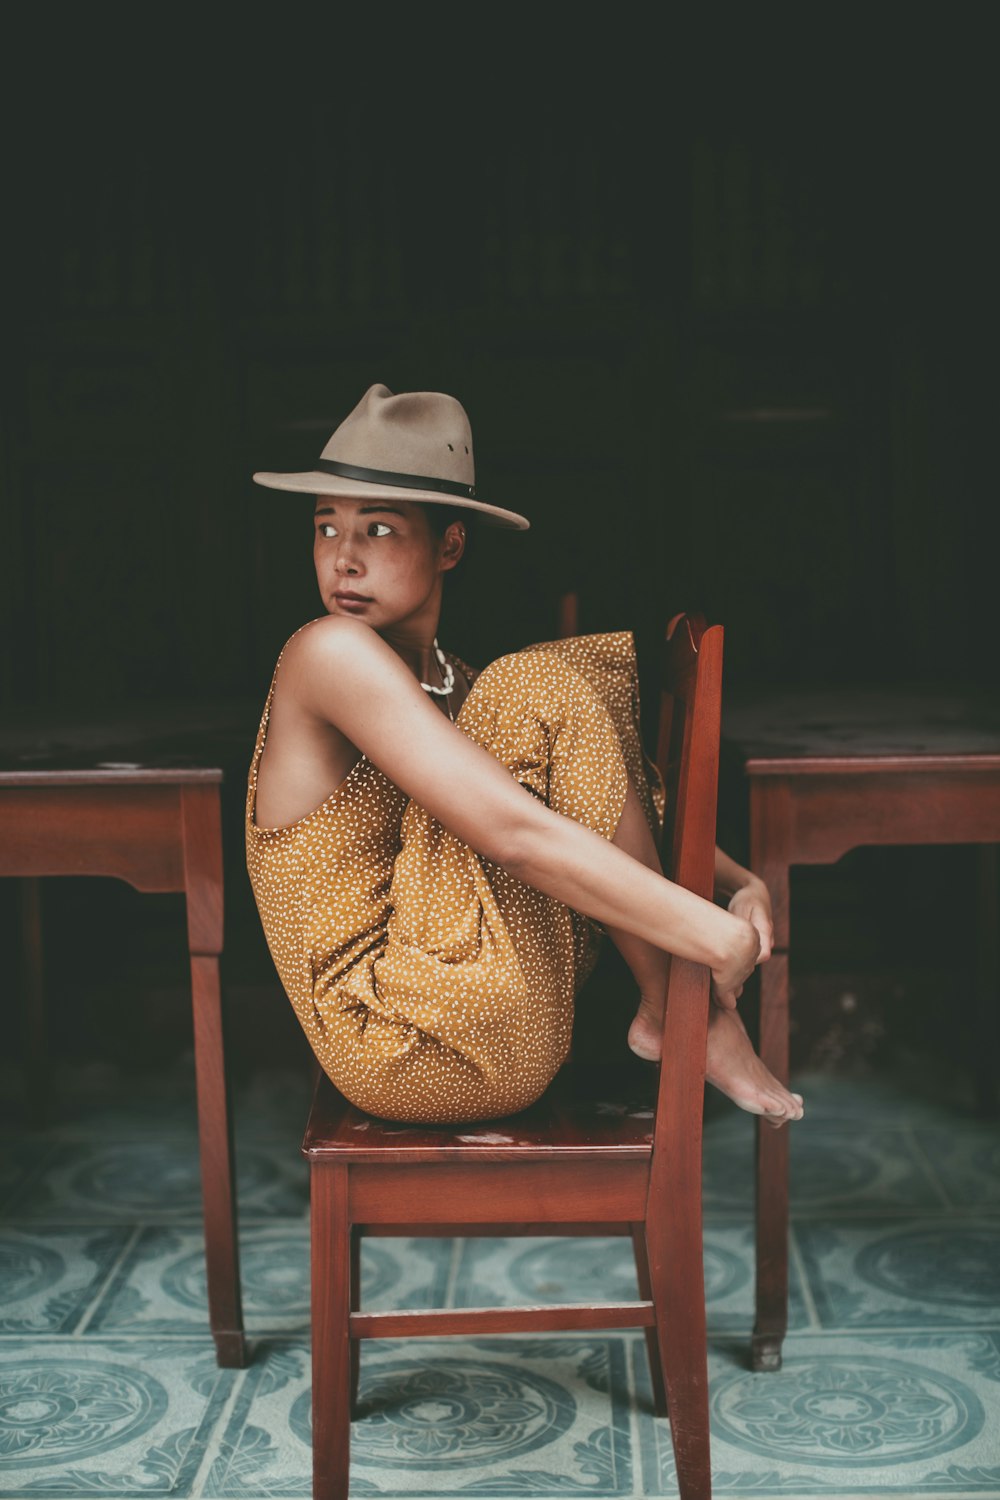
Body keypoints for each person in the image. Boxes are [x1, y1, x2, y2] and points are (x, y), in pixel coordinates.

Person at [246, 384, 804, 1128]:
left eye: (378, 529)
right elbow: (516, 834)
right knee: (537, 684)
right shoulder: (327, 654)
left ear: (451, 545)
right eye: (326, 528)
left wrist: (739, 884)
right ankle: (684, 1014)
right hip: (397, 1043)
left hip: (501, 1021)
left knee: (543, 690)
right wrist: (706, 931)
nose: (343, 558)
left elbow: (606, 805)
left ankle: (677, 1011)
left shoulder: (463, 686)